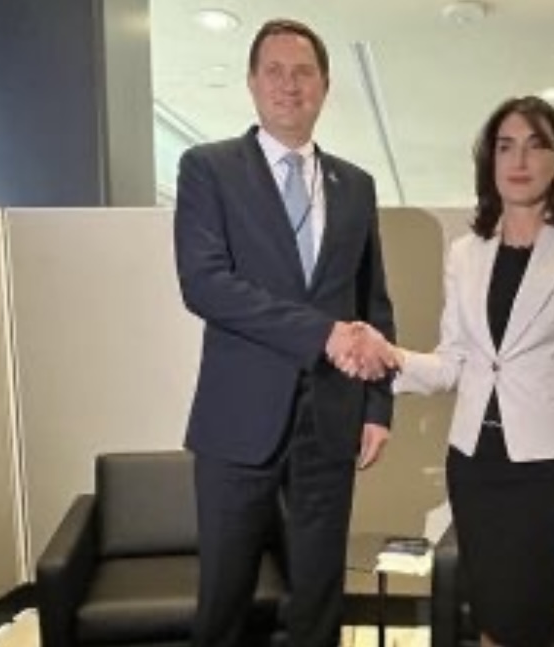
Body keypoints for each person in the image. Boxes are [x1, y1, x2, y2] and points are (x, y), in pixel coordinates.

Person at [173, 18, 397, 647]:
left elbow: (373, 303)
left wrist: (378, 407)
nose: (288, 85)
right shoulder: (209, 168)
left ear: (324, 85)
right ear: (251, 82)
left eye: (303, 72)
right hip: (237, 421)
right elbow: (205, 285)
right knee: (223, 599)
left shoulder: (356, 186)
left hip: (331, 419)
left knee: (319, 598)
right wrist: (323, 333)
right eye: (274, 71)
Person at [390, 96, 554, 647]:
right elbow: (453, 363)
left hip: (547, 473)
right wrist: (388, 357)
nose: (519, 160)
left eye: (536, 145)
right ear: (489, 161)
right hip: (475, 467)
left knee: (530, 621)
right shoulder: (465, 252)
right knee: (491, 620)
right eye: (505, 146)